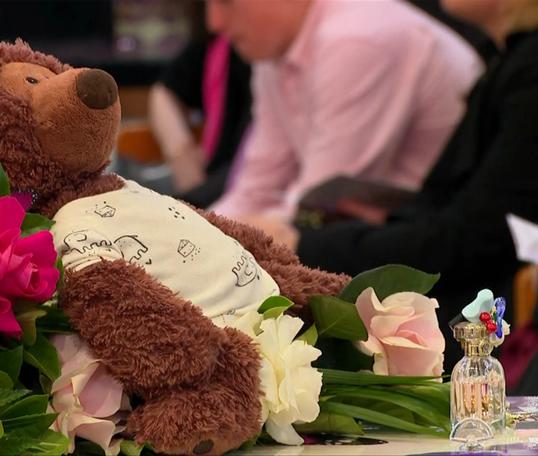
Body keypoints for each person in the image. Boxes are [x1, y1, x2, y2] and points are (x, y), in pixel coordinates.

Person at [253, 0, 538, 369]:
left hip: (486, 327)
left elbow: (474, 241)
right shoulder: (508, 59)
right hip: (461, 293)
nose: (214, 21)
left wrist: (306, 242)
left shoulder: (529, 71)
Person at [206, 0, 481, 222]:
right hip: (378, 240)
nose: (214, 21)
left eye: (226, 2)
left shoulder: (358, 38)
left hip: (438, 257)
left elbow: (316, 209)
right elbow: (256, 188)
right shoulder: (276, 49)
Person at [149, 34, 251, 208]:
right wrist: (181, 152)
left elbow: (251, 175)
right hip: (221, 196)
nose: (214, 21)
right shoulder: (218, 45)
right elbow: (164, 91)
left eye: (225, 4)